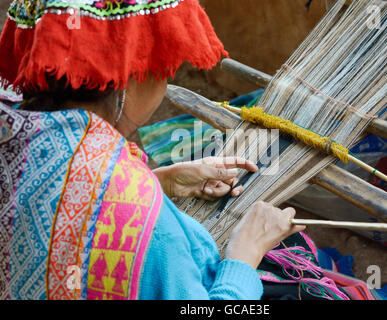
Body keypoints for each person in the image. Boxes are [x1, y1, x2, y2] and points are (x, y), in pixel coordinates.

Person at [0, 0, 349, 300]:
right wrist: (245, 255)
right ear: (130, 72)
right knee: (294, 264)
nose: (168, 74)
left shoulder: (16, 130)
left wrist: (162, 182)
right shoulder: (148, 225)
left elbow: (70, 205)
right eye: (166, 63)